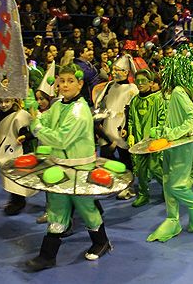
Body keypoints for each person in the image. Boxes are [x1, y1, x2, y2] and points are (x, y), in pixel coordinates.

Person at [26, 64, 111, 271]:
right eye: (61, 80)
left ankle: (102, 242)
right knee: (57, 209)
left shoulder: (79, 112)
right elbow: (45, 120)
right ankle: (47, 256)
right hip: (60, 167)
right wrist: (34, 111)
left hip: (80, 169)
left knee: (86, 208)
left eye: (70, 81)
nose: (64, 85)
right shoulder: (58, 104)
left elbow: (60, 139)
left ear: (80, 84)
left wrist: (37, 127)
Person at [147, 52, 193, 242]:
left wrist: (174, 133)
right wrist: (163, 131)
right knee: (167, 182)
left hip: (181, 144)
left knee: (176, 184)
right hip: (174, 143)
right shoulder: (177, 92)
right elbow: (177, 118)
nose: (163, 72)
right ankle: (172, 219)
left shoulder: (178, 92)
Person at [92, 54, 139, 199]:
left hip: (122, 128)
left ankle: (127, 186)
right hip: (108, 126)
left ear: (126, 72)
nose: (114, 72)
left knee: (125, 159)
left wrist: (128, 129)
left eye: (118, 70)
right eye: (113, 69)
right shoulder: (110, 86)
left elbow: (131, 111)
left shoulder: (132, 89)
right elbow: (102, 106)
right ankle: (110, 182)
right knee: (106, 158)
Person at [127, 69, 165, 207]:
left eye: (144, 81)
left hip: (153, 142)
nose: (140, 84)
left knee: (155, 167)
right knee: (141, 170)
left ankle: (168, 189)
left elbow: (162, 118)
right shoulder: (135, 101)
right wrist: (130, 134)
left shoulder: (157, 99)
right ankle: (143, 194)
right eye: (138, 81)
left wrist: (157, 133)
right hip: (138, 142)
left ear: (151, 82)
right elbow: (130, 119)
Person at [0, 98, 37, 216]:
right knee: (10, 177)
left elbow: (31, 133)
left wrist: (24, 137)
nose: (3, 105)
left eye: (7, 101)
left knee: (18, 176)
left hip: (19, 150)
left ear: (14, 101)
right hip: (5, 150)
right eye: (0, 102)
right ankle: (15, 199)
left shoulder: (20, 116)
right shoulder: (0, 115)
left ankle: (18, 201)